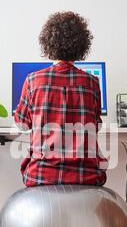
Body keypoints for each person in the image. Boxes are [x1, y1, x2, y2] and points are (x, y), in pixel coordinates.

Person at [14, 11, 107, 187]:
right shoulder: (92, 83)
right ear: (82, 45)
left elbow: (22, 124)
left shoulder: (33, 80)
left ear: (48, 43)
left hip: (40, 175)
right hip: (86, 177)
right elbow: (96, 124)